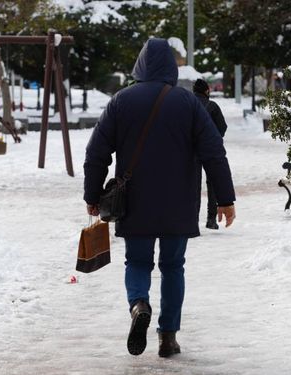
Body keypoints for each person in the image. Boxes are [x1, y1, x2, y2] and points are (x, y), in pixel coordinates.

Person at [83, 38, 236, 358]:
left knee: (137, 261)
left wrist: (93, 194)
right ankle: (168, 336)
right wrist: (225, 198)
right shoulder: (189, 102)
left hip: (134, 200)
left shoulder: (121, 101)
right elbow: (214, 153)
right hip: (178, 202)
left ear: (139, 66)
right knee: (173, 266)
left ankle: (139, 303)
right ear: (170, 67)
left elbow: (96, 152)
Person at [192, 78, 228, 230]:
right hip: (209, 150)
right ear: (207, 91)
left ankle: (192, 221)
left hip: (190, 151)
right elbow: (222, 127)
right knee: (212, 184)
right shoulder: (212, 106)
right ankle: (211, 219)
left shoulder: (187, 105)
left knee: (193, 185)